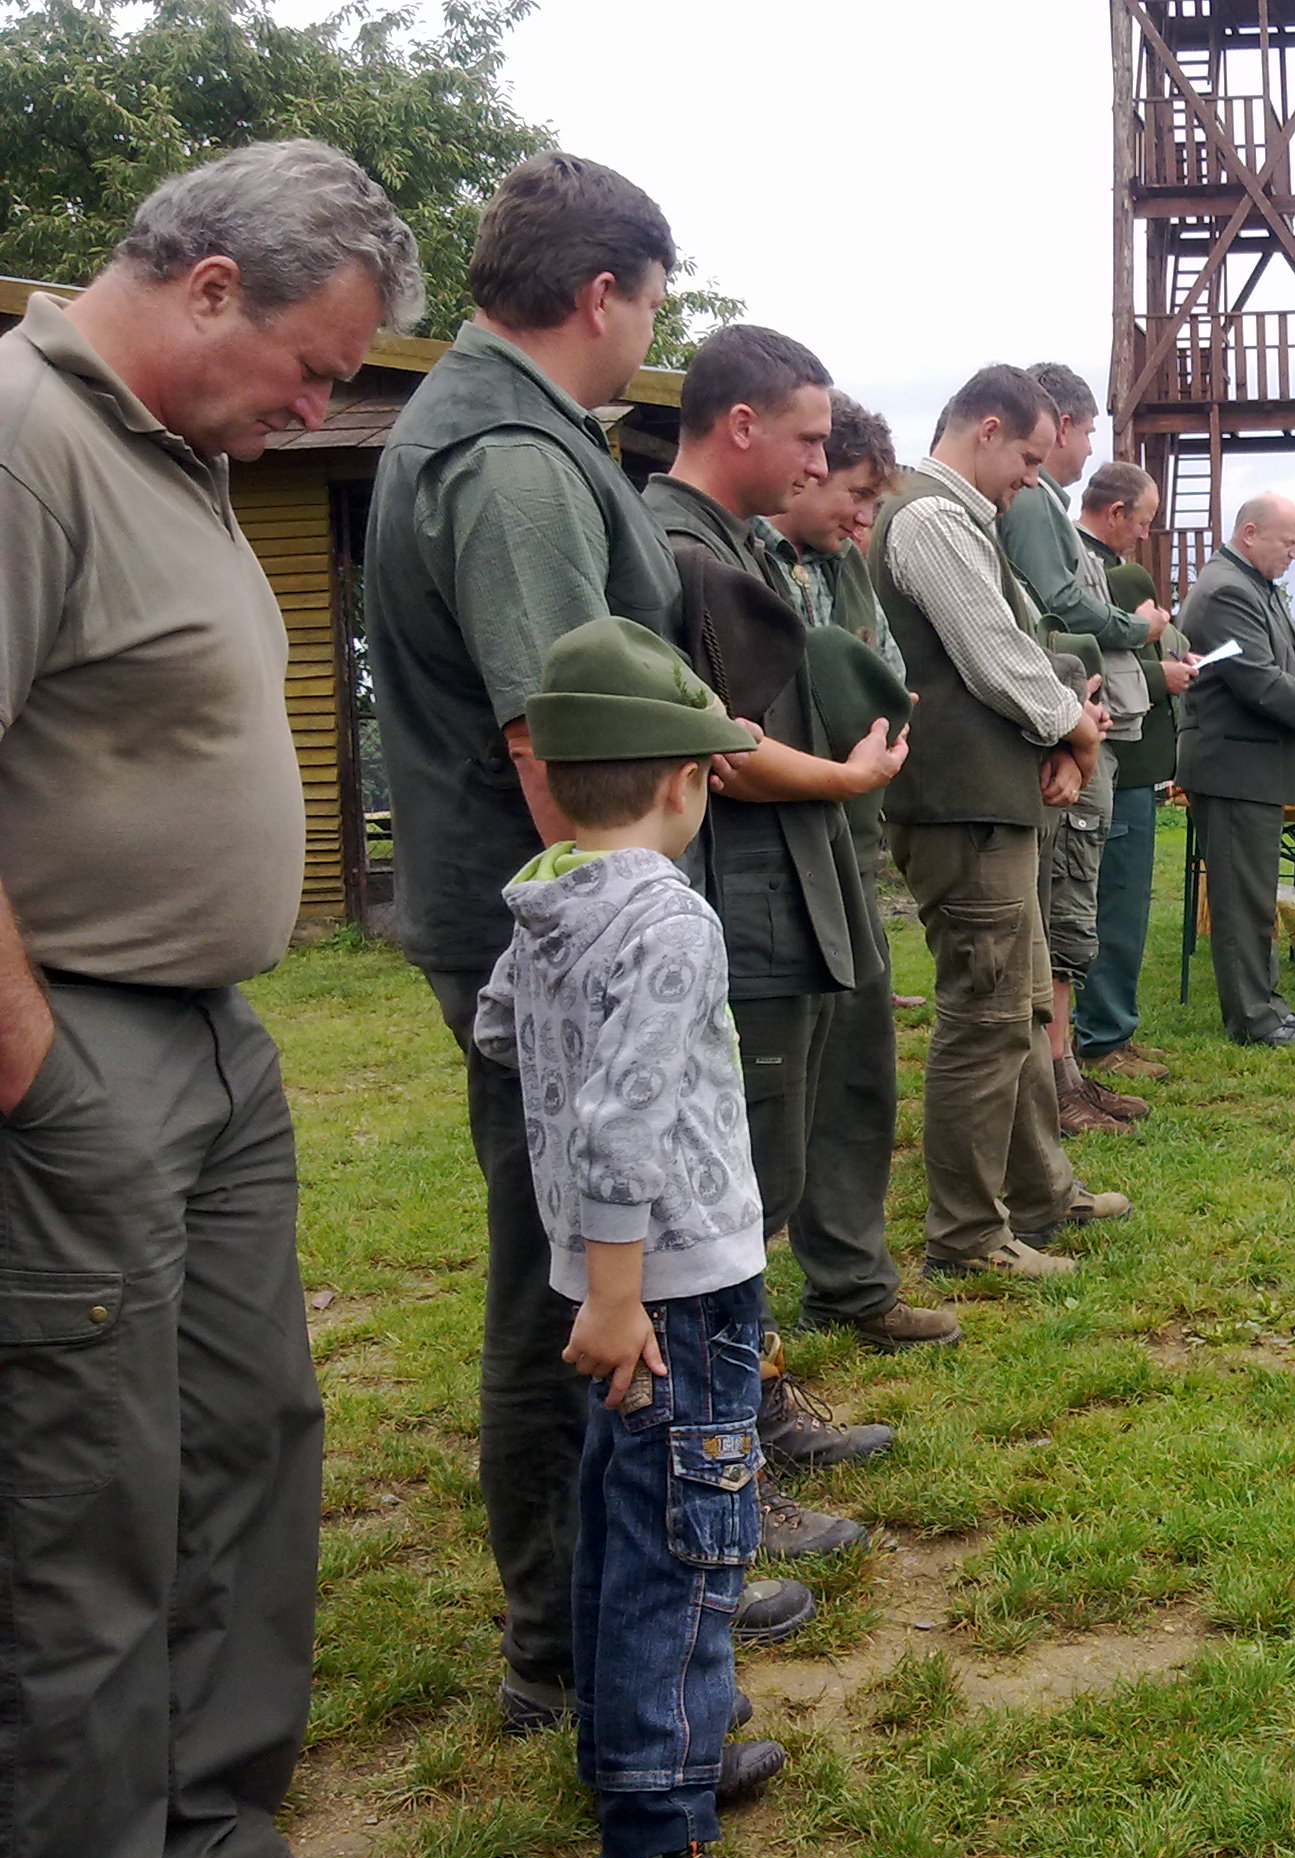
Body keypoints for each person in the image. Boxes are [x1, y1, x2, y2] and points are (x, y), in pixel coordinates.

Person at [0, 139, 421, 1858]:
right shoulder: (22, 437)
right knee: (87, 1492)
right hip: (73, 1035)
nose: (318, 404)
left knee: (248, 1436)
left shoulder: (175, 452)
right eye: (316, 370)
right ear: (209, 286)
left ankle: (205, 1852)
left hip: (210, 1031)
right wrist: (35, 1072)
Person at [372, 153, 821, 1726]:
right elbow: (558, 732)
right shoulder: (510, 463)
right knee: (565, 1279)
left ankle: (655, 1574)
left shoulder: (530, 440)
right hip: (570, 937)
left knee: (591, 1261)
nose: (654, 344)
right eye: (652, 307)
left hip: (562, 928)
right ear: (601, 294)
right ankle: (572, 1641)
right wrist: (632, 911)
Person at [470, 620, 804, 1858]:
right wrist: (621, 1296)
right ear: (682, 781)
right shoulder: (669, 918)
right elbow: (623, 1119)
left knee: (621, 1532)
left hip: (606, 1281)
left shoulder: (548, 897)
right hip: (671, 1294)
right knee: (687, 1546)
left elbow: (502, 1032)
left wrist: (586, 1271)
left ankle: (644, 1748)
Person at [642, 326, 918, 1555]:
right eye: (812, 439)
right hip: (735, 909)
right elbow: (712, 746)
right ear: (745, 426)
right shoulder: (673, 545)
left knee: (764, 1181)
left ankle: (754, 1409)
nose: (824, 460)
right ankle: (723, 1474)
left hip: (783, 896)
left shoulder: (741, 545)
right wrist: (840, 777)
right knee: (724, 1203)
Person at [872, 364, 1127, 1274]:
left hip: (989, 799)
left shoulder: (956, 515)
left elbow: (1018, 646)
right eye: (1025, 454)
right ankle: (970, 1236)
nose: (1033, 476)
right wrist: (1073, 728)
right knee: (984, 1019)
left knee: (1017, 1008)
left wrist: (1064, 727)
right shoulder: (932, 516)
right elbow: (994, 657)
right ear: (984, 428)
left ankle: (1038, 1196)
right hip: (960, 806)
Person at [751, 394, 963, 1369]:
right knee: (772, 1093)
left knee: (859, 1071)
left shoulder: (845, 571)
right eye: (855, 495)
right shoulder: (739, 560)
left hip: (849, 843)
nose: (863, 521)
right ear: (801, 470)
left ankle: (853, 1280)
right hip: (766, 854)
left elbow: (881, 680)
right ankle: (736, 1323)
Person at [1000, 365, 1168, 1135]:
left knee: (1071, 911)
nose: (1089, 445)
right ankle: (1055, 1080)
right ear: (1060, 424)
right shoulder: (1035, 505)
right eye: (1090, 428)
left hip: (1079, 721)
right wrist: (1133, 632)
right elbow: (1051, 614)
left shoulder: (1041, 504)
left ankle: (1064, 1070)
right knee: (1063, 906)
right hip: (1062, 725)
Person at [1176, 493, 1295, 1044]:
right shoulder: (1227, 591)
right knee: (1241, 902)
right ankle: (1254, 1020)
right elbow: (1256, 679)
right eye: (1289, 542)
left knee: (1256, 897)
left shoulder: (1253, 583)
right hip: (1234, 766)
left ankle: (1269, 1008)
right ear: (1251, 532)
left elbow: (1293, 638)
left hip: (1251, 767)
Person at [1071, 460, 1194, 1078]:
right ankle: (1101, 1033)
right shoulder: (1093, 570)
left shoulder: (1096, 566)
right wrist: (1159, 674)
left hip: (1134, 760)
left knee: (1123, 900)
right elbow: (1080, 660)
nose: (1144, 535)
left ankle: (1112, 1025)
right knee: (1111, 903)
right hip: (1114, 757)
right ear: (1116, 512)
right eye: (1142, 521)